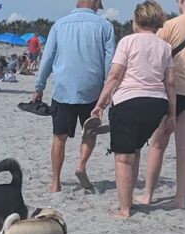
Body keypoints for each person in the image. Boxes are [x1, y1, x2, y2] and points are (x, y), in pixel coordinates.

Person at [91, 1, 175, 217]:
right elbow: (170, 83)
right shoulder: (165, 46)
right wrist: (172, 113)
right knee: (135, 150)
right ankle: (129, 202)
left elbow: (115, 76)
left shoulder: (127, 41)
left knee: (123, 157)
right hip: (157, 105)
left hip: (128, 102)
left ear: (137, 20)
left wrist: (100, 104)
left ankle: (125, 209)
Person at [34, 0, 115, 193]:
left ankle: (55, 182)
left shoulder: (59, 25)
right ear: (95, 3)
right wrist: (108, 91)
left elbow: (48, 58)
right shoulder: (105, 26)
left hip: (63, 90)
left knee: (59, 137)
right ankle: (80, 164)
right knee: (90, 132)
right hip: (92, 90)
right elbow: (109, 62)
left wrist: (39, 86)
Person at [138, 0, 185, 209]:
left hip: (172, 93)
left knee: (158, 145)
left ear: (181, 2)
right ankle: (180, 200)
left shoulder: (169, 26)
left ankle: (148, 195)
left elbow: (155, 57)